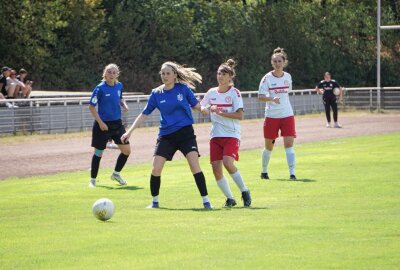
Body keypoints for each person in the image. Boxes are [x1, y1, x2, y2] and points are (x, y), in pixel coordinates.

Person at [121, 61, 213, 209]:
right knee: (155, 168)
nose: (165, 76)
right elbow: (144, 114)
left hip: (185, 133)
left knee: (194, 165)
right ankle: (155, 202)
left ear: (175, 75)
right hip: (166, 136)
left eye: (168, 73)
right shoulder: (156, 93)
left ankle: (206, 201)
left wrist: (203, 109)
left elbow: (196, 105)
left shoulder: (183, 89)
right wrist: (129, 131)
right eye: (162, 73)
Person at [200, 59, 251, 207]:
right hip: (215, 136)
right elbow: (202, 107)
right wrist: (204, 109)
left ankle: (244, 191)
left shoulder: (235, 93)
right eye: (218, 73)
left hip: (231, 135)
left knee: (228, 163)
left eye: (224, 74)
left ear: (230, 77)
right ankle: (230, 198)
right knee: (216, 169)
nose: (220, 76)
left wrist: (221, 112)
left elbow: (240, 115)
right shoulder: (211, 92)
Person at [88, 63, 130, 188]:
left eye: (114, 72)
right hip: (103, 125)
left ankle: (116, 174)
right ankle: (93, 180)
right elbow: (91, 107)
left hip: (117, 124)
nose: (111, 74)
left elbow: (120, 98)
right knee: (98, 153)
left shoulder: (119, 85)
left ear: (117, 74)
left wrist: (124, 105)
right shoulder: (100, 88)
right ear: (104, 74)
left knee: (127, 151)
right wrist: (101, 123)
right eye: (109, 72)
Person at [258, 47, 297, 180]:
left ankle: (292, 174)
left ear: (284, 62)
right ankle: (264, 172)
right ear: (272, 63)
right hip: (272, 116)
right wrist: (271, 99)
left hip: (287, 115)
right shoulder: (267, 78)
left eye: (279, 61)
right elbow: (260, 96)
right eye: (275, 61)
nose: (277, 63)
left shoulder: (288, 77)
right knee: (269, 147)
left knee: (289, 144)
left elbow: (287, 93)